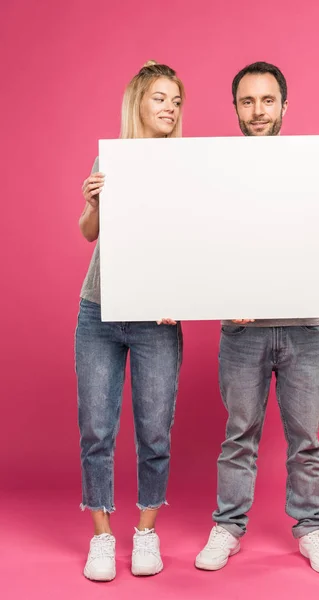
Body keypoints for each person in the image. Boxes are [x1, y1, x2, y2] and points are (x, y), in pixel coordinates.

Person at [195, 61, 319, 575]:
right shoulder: (219, 169)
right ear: (236, 108)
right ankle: (228, 526)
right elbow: (205, 246)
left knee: (305, 438)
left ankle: (311, 528)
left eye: (267, 100)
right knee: (239, 432)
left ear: (285, 106)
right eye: (247, 101)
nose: (257, 111)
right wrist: (222, 293)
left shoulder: (316, 164)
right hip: (242, 330)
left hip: (305, 326)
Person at [76, 61, 185, 581]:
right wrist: (93, 200)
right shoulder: (111, 158)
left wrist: (181, 293)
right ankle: (101, 535)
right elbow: (88, 232)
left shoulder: (190, 165)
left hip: (155, 319)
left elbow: (197, 243)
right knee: (96, 428)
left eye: (176, 101)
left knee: (154, 432)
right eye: (160, 98)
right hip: (100, 308)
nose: (169, 108)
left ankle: (146, 530)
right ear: (138, 102)